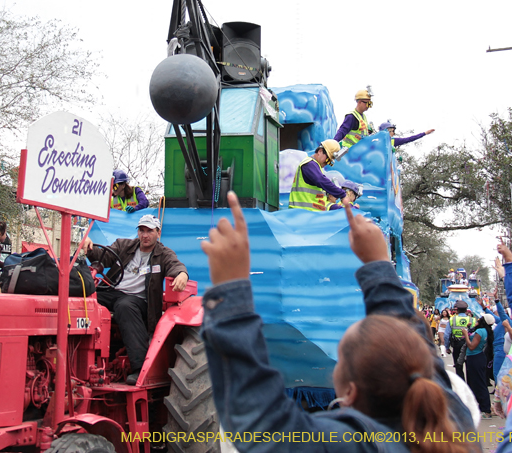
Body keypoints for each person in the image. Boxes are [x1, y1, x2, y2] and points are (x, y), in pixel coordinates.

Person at [199, 192, 476, 452]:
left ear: (350, 393)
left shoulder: (361, 443)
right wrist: (379, 265)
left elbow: (262, 428)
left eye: (340, 358)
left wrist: (231, 291)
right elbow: (412, 336)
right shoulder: (451, 416)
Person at [84, 214, 188, 385]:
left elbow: (175, 265)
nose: (145, 235)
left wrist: (182, 274)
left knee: (125, 306)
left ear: (158, 233)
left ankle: (140, 367)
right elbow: (103, 256)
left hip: (139, 300)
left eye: (149, 231)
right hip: (113, 291)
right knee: (86, 298)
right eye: (141, 230)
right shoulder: (123, 246)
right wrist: (88, 247)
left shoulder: (163, 254)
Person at [289, 140, 347, 211]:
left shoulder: (315, 167)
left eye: (329, 161)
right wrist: (342, 194)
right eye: (327, 159)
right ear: (320, 151)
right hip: (302, 213)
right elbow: (321, 180)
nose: (327, 163)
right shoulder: (309, 164)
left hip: (308, 213)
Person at [462, 313, 494, 418]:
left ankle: (486, 409)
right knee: (477, 383)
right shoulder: (484, 331)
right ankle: (482, 407)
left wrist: (466, 335)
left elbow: (471, 346)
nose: (478, 319)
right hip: (478, 357)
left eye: (481, 318)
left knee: (479, 384)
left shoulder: (480, 331)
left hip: (475, 358)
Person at [445, 300, 472, 380]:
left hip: (457, 344)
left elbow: (447, 335)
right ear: (466, 310)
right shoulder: (472, 320)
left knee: (458, 365)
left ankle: (461, 383)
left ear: (457, 310)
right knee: (469, 366)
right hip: (469, 344)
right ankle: (470, 386)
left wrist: (447, 347)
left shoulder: (452, 319)